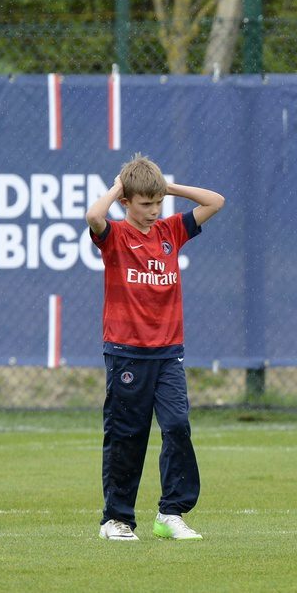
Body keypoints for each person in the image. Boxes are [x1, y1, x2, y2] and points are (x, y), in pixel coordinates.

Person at [86, 153, 224, 541]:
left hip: (168, 354)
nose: (153, 210)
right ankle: (116, 520)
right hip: (126, 352)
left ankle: (171, 513)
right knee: (127, 436)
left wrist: (168, 187)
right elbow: (94, 217)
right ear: (126, 202)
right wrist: (117, 187)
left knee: (178, 426)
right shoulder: (115, 236)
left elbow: (215, 201)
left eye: (157, 202)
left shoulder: (171, 231)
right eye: (145, 203)